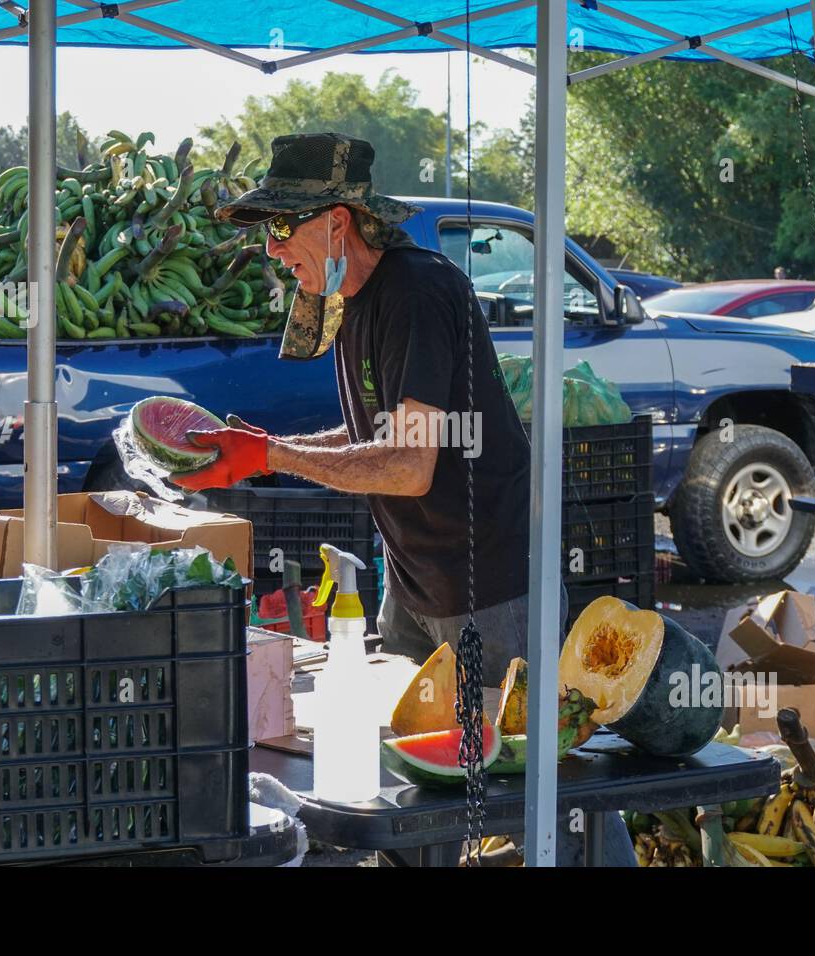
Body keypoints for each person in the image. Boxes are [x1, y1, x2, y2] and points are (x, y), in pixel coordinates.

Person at [173, 132, 634, 865]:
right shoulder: (351, 304)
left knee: (536, 789)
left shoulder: (419, 290)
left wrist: (274, 456)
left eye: (281, 227)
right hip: (415, 582)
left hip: (490, 580)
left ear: (338, 223)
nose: (271, 249)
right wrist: (264, 454)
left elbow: (411, 465)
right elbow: (371, 433)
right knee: (416, 786)